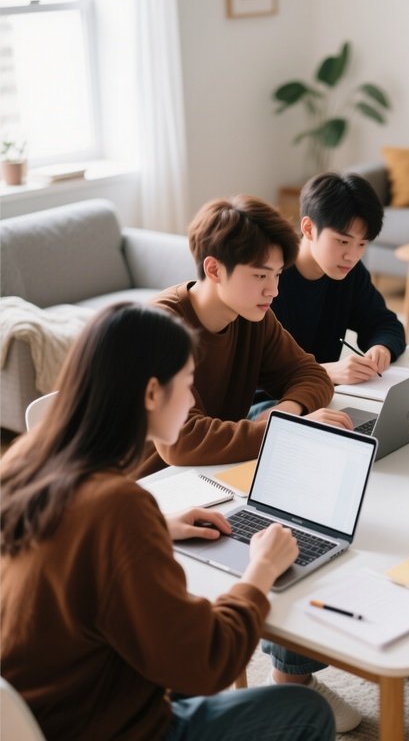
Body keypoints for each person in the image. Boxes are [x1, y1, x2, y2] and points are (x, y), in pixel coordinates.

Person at [0, 303, 335, 741]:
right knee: (306, 712)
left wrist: (156, 523)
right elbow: (207, 663)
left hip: (34, 712)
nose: (194, 400)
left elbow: (76, 546)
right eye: (188, 383)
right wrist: (261, 571)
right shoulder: (117, 508)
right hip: (101, 725)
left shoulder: (24, 463)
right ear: (153, 393)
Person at [133, 194, 353, 478]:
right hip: (154, 489)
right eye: (260, 276)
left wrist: (285, 411)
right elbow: (181, 441)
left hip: (217, 472)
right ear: (213, 269)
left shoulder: (251, 316)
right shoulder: (159, 328)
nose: (273, 290)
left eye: (277, 275)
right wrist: (284, 430)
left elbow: (311, 374)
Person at [270, 172, 406, 384]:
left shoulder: (349, 273)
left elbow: (384, 323)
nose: (351, 256)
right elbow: (259, 372)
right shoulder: (269, 278)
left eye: (362, 244)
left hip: (324, 395)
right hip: (274, 405)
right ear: (308, 228)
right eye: (342, 242)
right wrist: (326, 372)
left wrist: (382, 348)